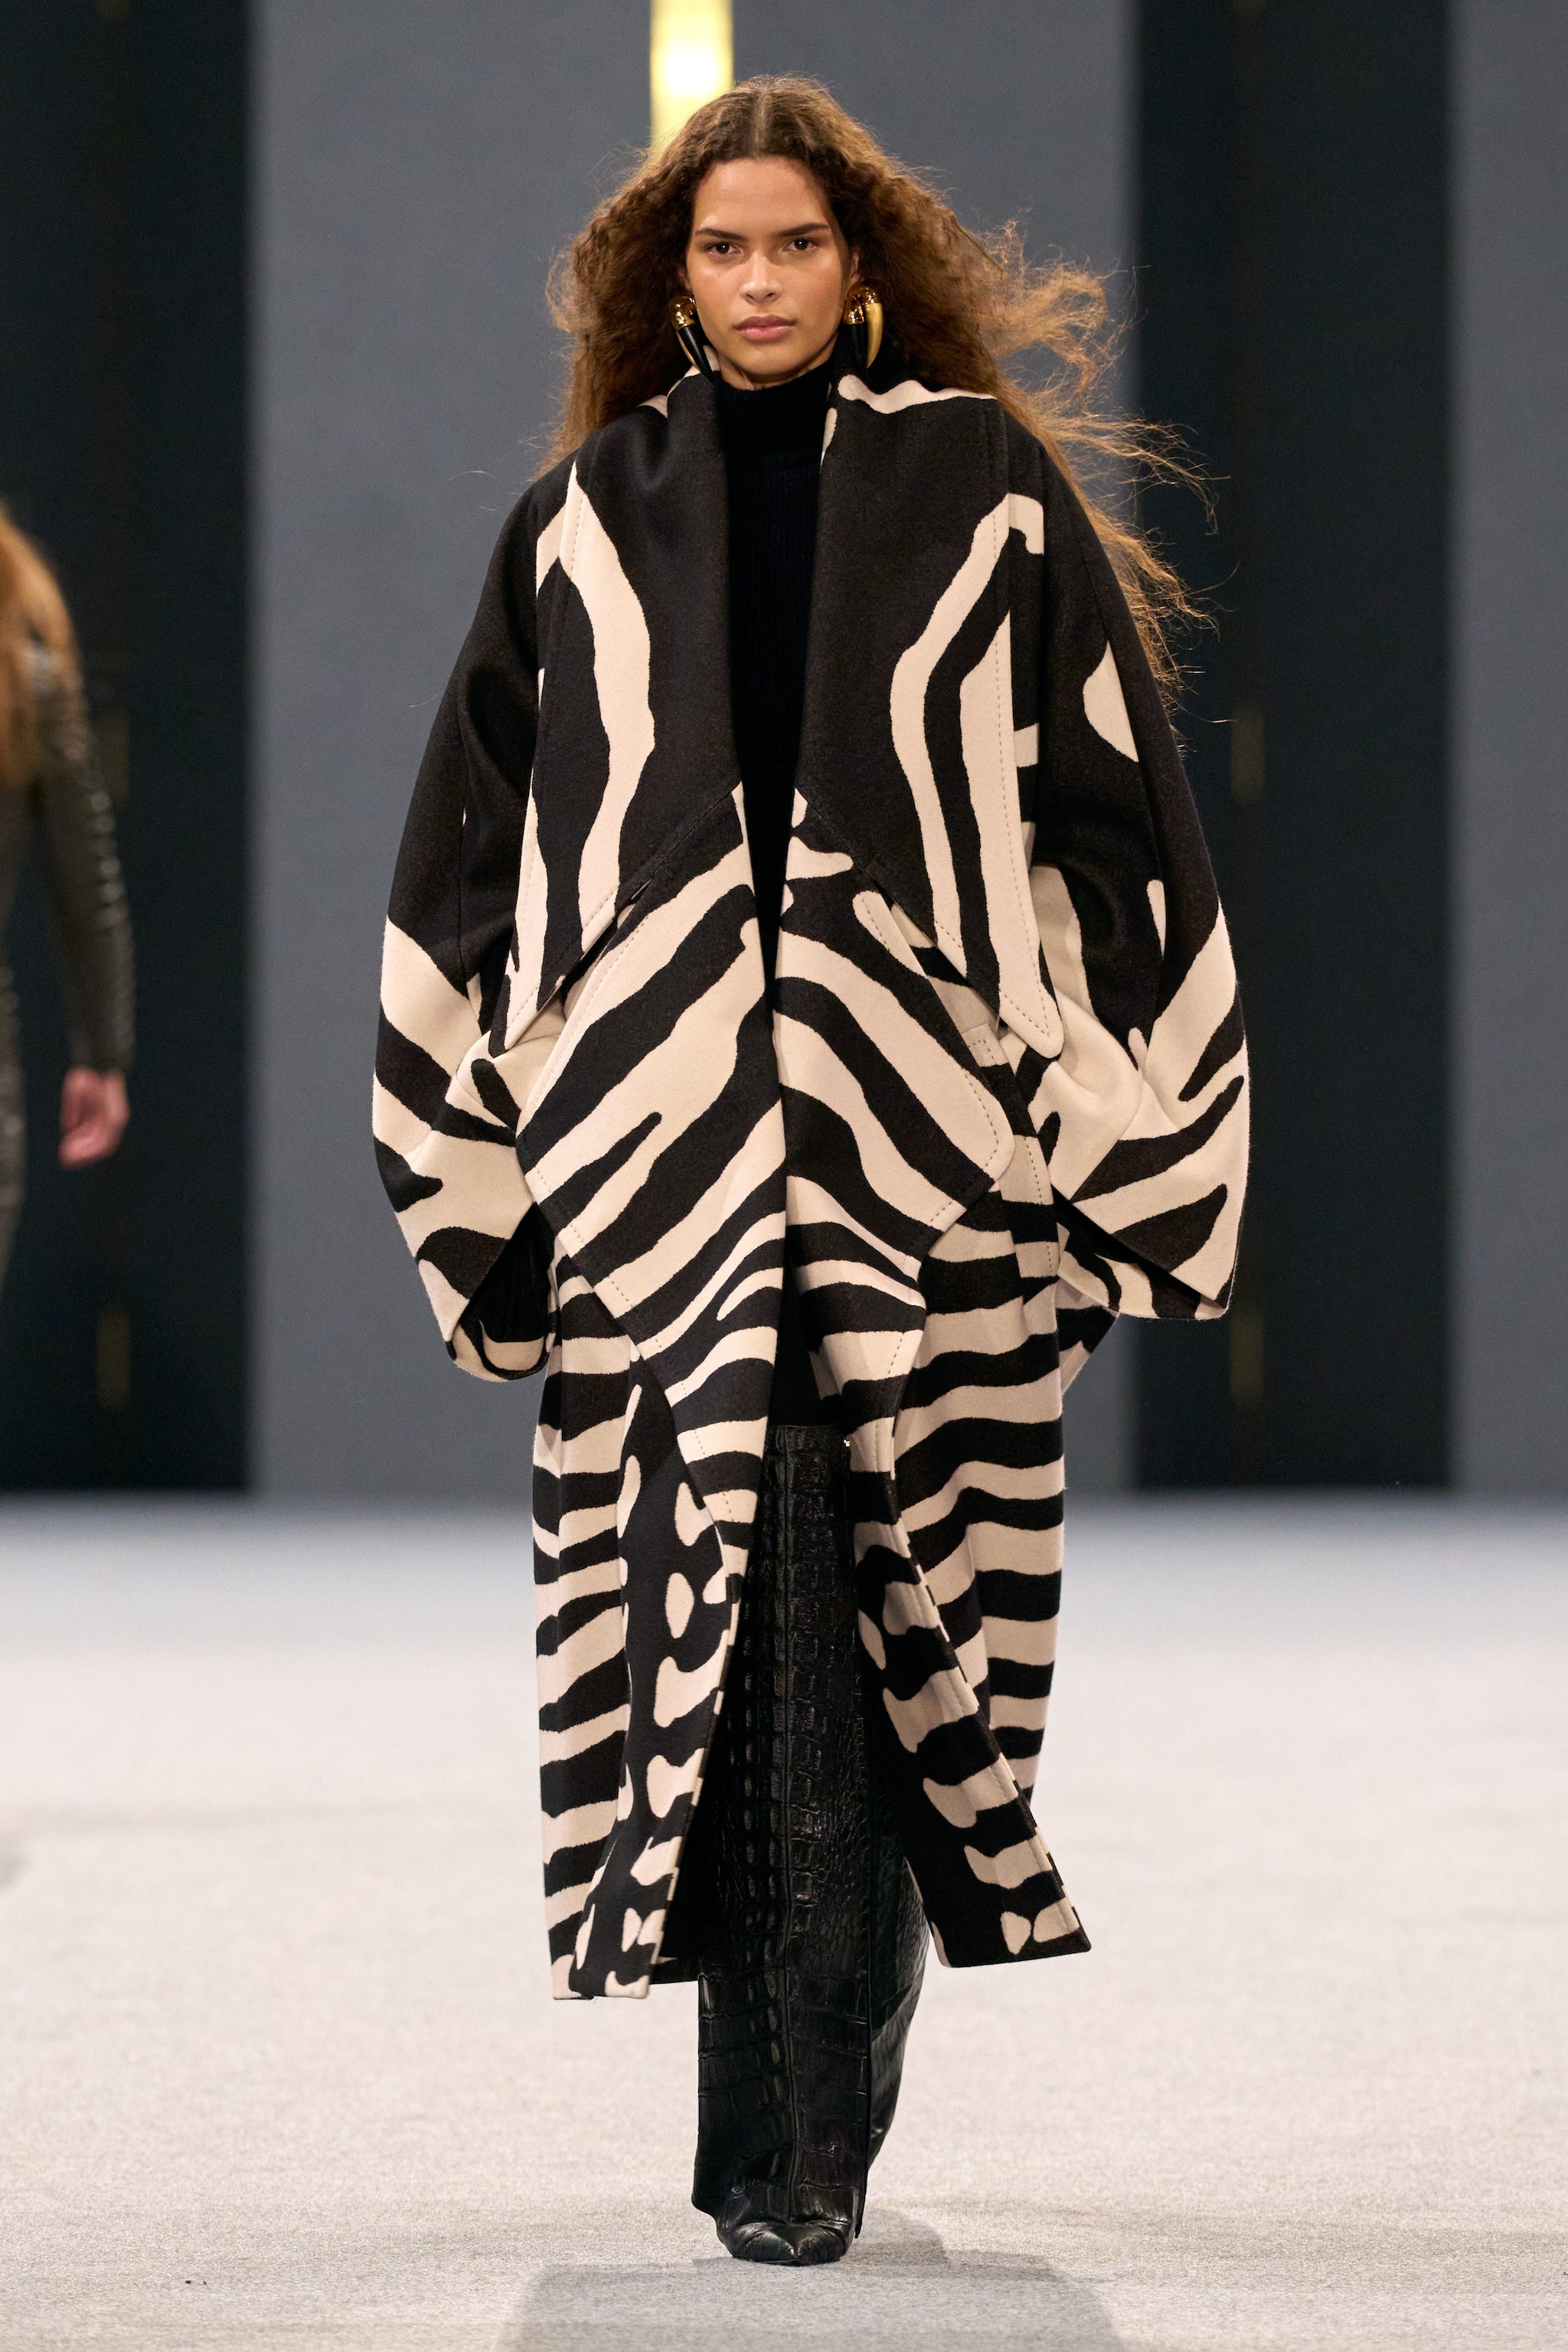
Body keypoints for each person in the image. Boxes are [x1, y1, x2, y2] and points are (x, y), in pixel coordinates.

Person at [374, 79, 1248, 2265]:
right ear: (670, 281)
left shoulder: (985, 496)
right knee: (729, 1623)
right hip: (666, 1169)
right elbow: (468, 852)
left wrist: (1110, 1129)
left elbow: (1124, 825)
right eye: (721, 248)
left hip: (925, 1152)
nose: (757, 281)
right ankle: (782, 2144)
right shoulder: (587, 521)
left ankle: (814, 2114)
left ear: (858, 267)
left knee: (898, 1622)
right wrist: (483, 1157)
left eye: (792, 244)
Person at [0, 507, 132, 1295]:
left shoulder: (27, 685)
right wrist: (102, 1057)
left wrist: (104, 1052)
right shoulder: (27, 681)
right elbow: (89, 885)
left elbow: (88, 886)